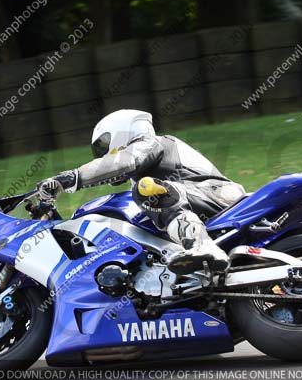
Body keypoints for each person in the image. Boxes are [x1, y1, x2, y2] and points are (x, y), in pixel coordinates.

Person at [36, 109, 245, 274]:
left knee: (146, 189)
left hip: (217, 194)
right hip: (199, 199)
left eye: (103, 145)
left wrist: (71, 178)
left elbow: (125, 161)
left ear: (122, 133)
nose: (102, 154)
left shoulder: (151, 143)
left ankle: (203, 246)